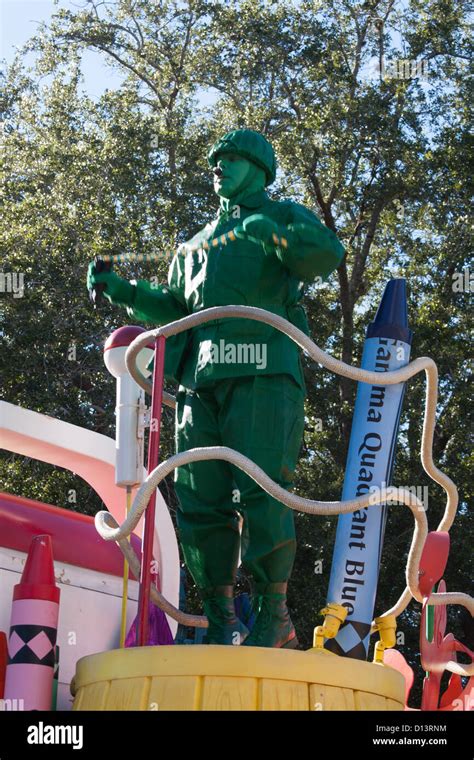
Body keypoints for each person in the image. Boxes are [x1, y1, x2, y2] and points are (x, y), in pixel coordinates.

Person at [87, 129, 345, 648]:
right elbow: (178, 311)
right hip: (199, 387)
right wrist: (125, 291)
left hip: (263, 375)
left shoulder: (278, 216)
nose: (218, 166)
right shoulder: (193, 246)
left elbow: (326, 255)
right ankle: (221, 616)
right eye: (215, 160)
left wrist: (275, 233)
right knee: (200, 498)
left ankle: (274, 614)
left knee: (263, 489)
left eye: (231, 158)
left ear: (259, 167)